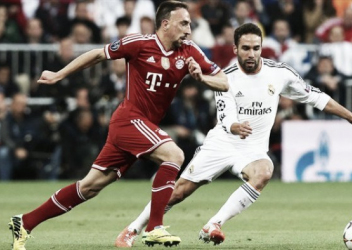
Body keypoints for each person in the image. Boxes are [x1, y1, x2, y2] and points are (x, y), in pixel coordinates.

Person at [115, 22, 352, 248]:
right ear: (235, 49)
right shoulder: (225, 77)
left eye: (256, 48)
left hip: (252, 150)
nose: (252, 54)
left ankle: (213, 225)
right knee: (179, 192)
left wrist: (351, 116)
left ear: (262, 48)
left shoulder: (280, 73)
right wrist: (235, 126)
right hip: (222, 143)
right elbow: (225, 116)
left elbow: (316, 96)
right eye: (246, 48)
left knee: (264, 171)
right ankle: (131, 230)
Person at [8, 1, 228, 249]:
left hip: (141, 126)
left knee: (90, 187)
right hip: (129, 119)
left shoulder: (189, 50)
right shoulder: (139, 43)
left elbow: (224, 82)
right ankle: (155, 227)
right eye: (184, 23)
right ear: (165, 24)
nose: (189, 29)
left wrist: (202, 78)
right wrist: (59, 74)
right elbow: (97, 54)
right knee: (174, 155)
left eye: (189, 23)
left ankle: (24, 222)